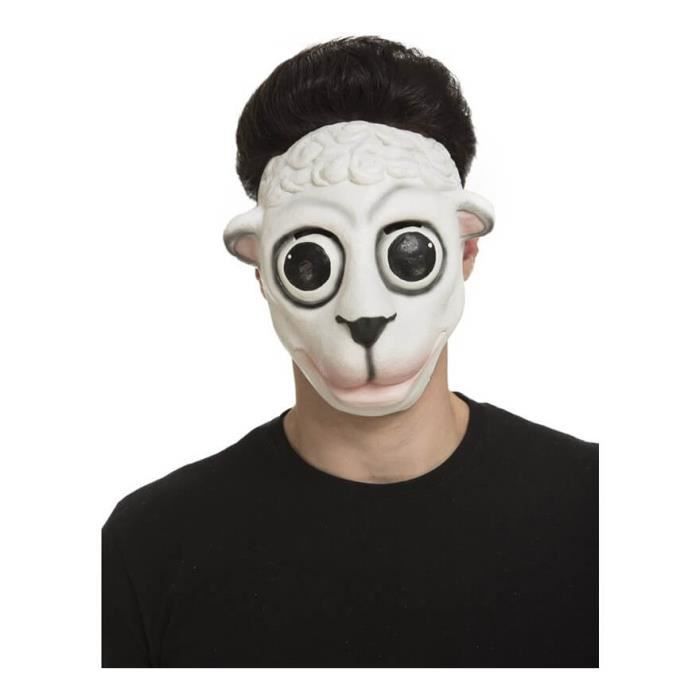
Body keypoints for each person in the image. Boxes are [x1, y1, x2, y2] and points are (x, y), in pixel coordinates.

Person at [102, 35, 598, 668]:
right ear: (260, 267)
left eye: (410, 254)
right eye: (309, 262)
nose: (364, 308)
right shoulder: (147, 550)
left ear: (466, 248)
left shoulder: (603, 513)